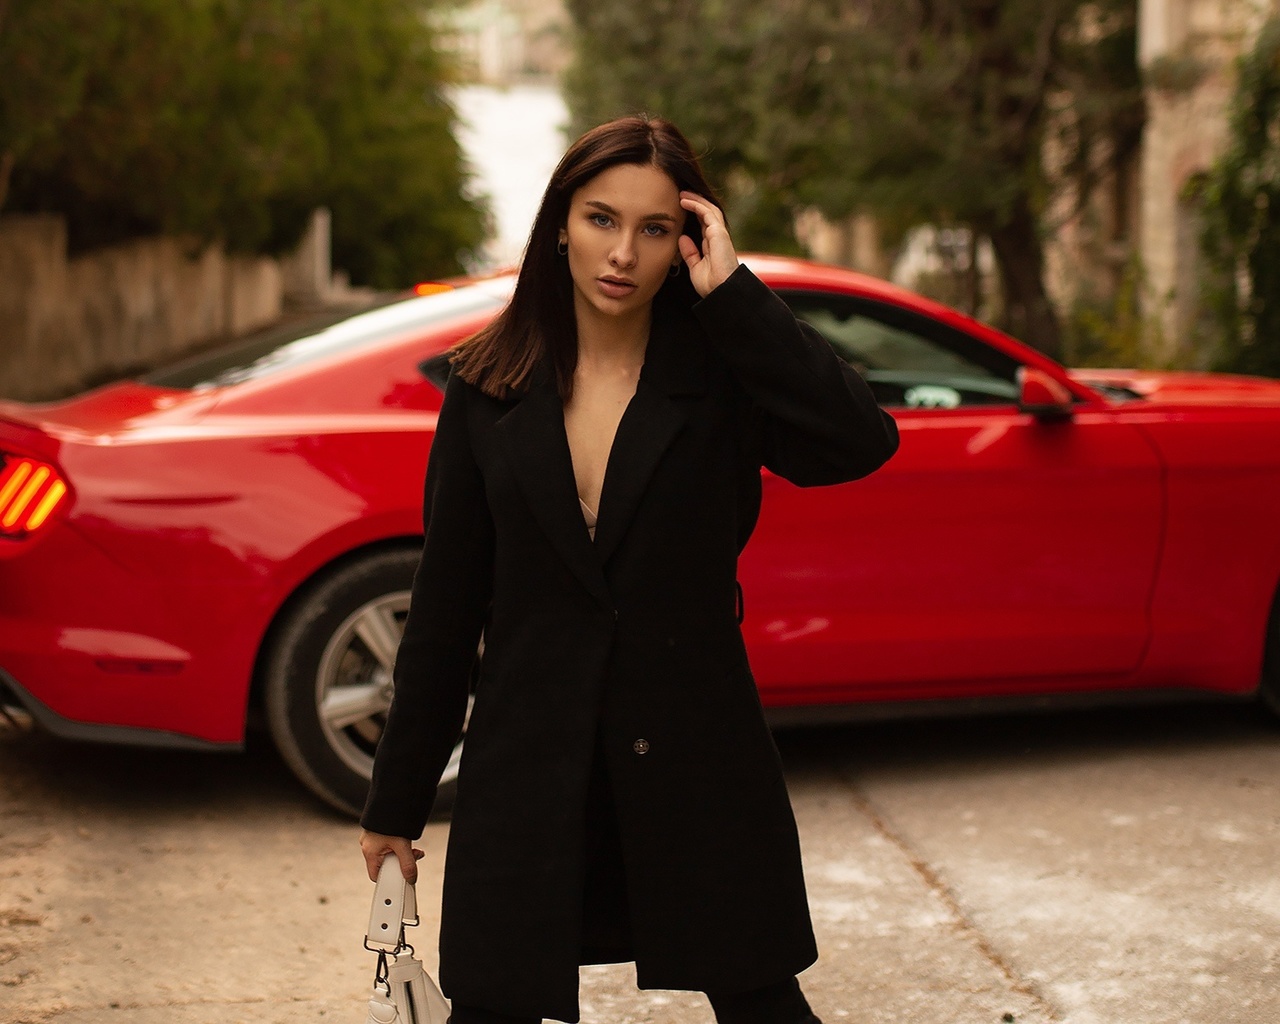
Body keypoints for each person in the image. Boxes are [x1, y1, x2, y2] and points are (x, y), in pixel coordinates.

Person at [358, 115, 899, 1024]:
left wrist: (735, 296)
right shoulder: (488, 390)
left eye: (655, 229)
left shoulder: (722, 373)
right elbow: (446, 609)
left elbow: (858, 439)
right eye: (601, 219)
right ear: (559, 223)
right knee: (493, 1004)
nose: (623, 254)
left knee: (761, 1000)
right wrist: (395, 803)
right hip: (530, 762)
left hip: (696, 749)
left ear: (687, 239)